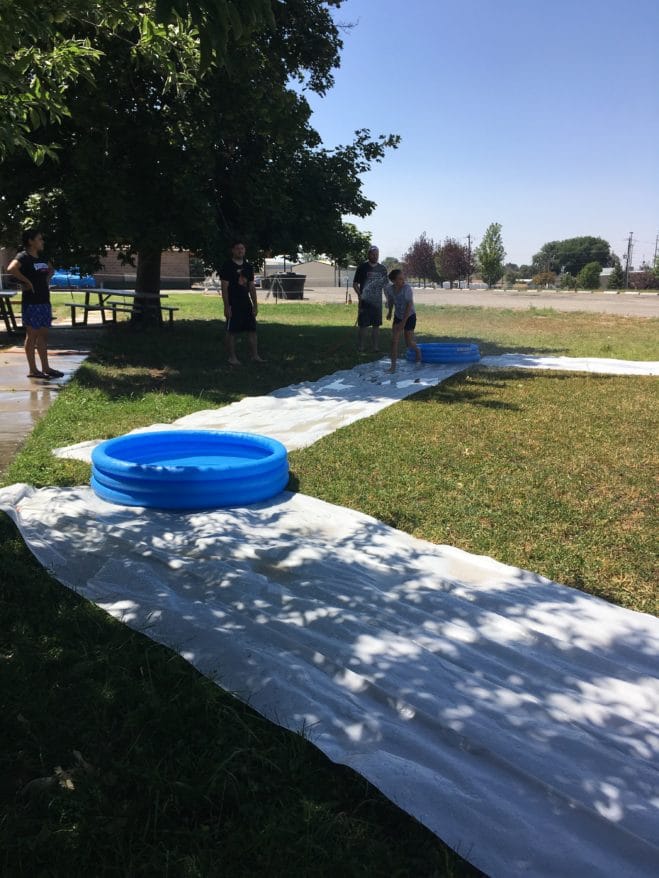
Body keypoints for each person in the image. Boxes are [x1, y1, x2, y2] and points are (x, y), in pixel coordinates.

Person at [7, 228, 63, 380]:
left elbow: (51, 268)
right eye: (39, 239)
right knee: (32, 335)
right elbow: (11, 268)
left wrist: (47, 279)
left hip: (44, 300)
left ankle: (46, 368)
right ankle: (33, 370)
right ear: (31, 241)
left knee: (43, 336)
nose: (42, 241)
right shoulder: (23, 256)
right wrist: (26, 281)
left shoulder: (42, 257)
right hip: (31, 302)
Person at [219, 240, 265, 366]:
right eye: (238, 248)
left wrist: (255, 305)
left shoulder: (248, 267)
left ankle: (255, 355)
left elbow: (251, 286)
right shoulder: (227, 266)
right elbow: (224, 288)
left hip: (246, 303)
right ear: (233, 250)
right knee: (232, 331)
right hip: (233, 302)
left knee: (252, 330)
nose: (240, 251)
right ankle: (232, 357)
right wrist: (227, 306)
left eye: (242, 248)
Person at [352, 244, 389, 353]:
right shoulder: (362, 268)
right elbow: (355, 284)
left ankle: (375, 347)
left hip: (377, 303)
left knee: (376, 325)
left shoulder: (382, 269)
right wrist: (360, 295)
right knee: (363, 325)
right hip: (365, 302)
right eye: (373, 254)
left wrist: (387, 299)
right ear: (369, 254)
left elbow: (385, 286)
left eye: (377, 254)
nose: (375, 256)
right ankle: (361, 347)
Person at [385, 268, 421, 373]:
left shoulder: (407, 289)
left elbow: (409, 306)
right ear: (394, 281)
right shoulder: (390, 289)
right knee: (394, 341)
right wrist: (390, 312)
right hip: (398, 316)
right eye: (400, 279)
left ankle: (418, 351)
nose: (403, 280)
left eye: (403, 278)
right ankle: (393, 366)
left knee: (409, 343)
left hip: (409, 316)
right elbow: (391, 301)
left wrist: (403, 323)